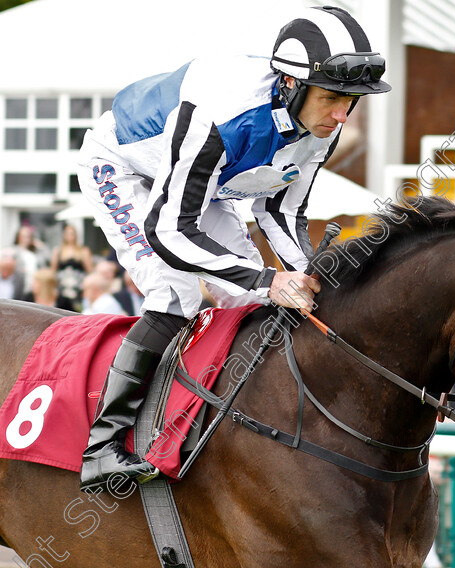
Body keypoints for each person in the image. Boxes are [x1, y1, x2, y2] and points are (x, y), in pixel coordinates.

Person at [76, 6, 390, 489]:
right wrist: (270, 279)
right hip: (124, 170)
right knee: (175, 293)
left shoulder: (325, 122)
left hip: (210, 187)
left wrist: (311, 279)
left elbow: (280, 213)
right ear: (290, 85)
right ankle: (103, 444)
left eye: (352, 101)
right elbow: (169, 230)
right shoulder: (223, 109)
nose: (341, 115)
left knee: (250, 298)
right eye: (331, 98)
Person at [51, 223, 94, 310]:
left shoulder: (83, 250)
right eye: (68, 233)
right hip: (62, 288)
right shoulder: (58, 250)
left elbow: (90, 270)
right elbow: (53, 271)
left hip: (78, 287)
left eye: (72, 233)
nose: (70, 236)